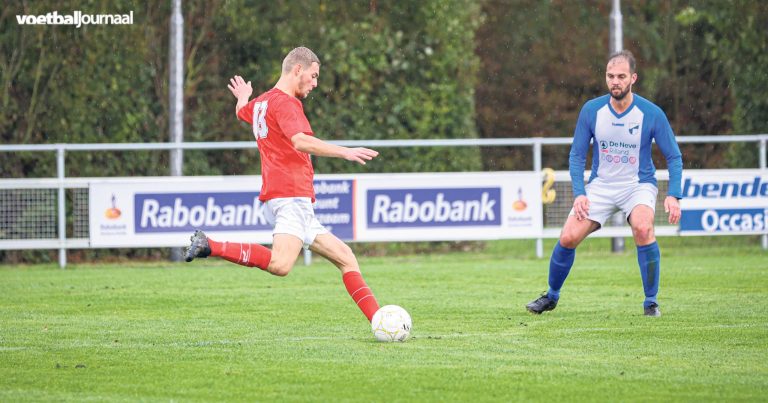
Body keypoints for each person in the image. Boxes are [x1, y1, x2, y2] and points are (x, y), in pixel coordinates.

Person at [184, 47, 382, 323]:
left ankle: (379, 320)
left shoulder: (263, 103)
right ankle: (210, 245)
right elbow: (300, 141)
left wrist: (243, 98)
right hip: (290, 197)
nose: (315, 83)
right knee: (280, 264)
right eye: (313, 76)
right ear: (297, 69)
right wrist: (345, 151)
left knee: (346, 258)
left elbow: (243, 112)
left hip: (283, 198)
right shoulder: (287, 103)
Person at [526, 50, 683, 317]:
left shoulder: (651, 113)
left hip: (637, 185)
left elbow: (674, 156)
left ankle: (651, 302)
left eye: (621, 76)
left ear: (633, 78)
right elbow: (576, 155)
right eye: (611, 76)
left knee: (644, 229)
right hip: (600, 186)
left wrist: (674, 194)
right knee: (567, 237)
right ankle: (551, 296)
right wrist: (580, 193)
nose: (615, 81)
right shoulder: (592, 110)